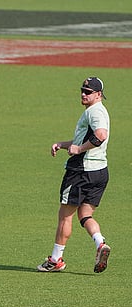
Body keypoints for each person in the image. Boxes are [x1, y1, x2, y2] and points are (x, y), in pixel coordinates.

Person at [37, 77, 111, 273]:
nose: (84, 94)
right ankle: (100, 243)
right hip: (100, 172)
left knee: (65, 216)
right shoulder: (98, 111)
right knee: (85, 214)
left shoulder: (95, 112)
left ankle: (55, 260)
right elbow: (83, 139)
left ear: (99, 94)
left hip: (81, 172)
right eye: (83, 90)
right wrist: (63, 144)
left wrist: (78, 150)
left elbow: (100, 136)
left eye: (88, 92)